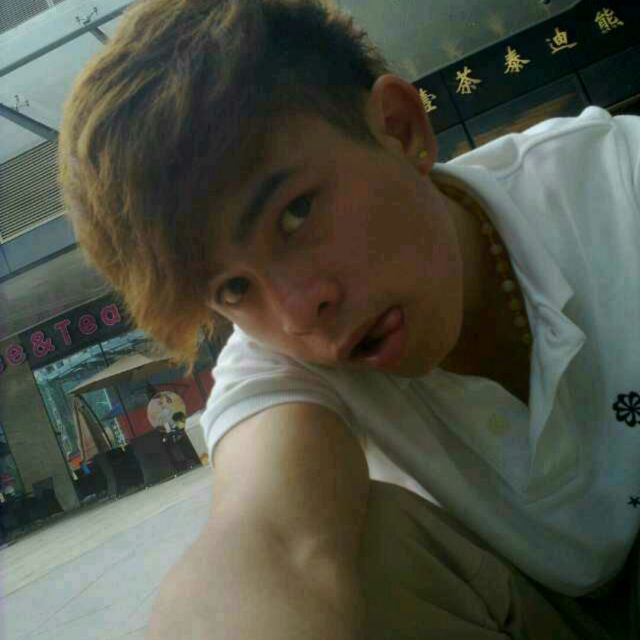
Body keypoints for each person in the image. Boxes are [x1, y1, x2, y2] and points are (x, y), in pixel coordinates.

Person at [57, 0, 640, 638]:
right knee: (359, 545)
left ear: (400, 129)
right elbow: (271, 545)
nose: (297, 312)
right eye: (233, 288)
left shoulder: (615, 180)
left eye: (296, 213)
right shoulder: (278, 363)